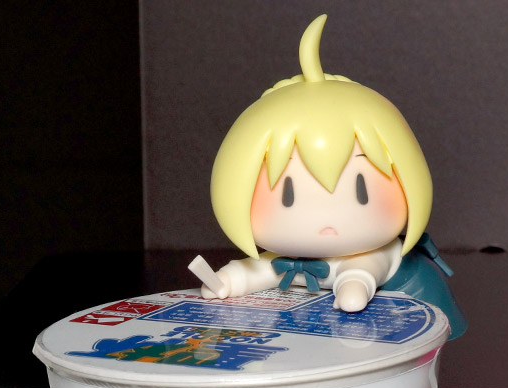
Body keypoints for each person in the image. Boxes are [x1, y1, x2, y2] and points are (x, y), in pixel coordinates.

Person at [194, 14, 466, 338]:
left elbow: (363, 271)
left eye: (361, 190)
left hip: (415, 307)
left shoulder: (372, 254)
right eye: (288, 194)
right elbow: (262, 270)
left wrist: (355, 284)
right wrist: (231, 280)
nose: (326, 219)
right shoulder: (288, 257)